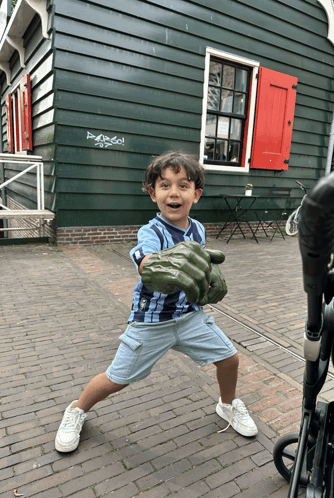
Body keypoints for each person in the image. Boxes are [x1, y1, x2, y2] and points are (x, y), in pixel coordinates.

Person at [55, 151, 258, 453]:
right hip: (151, 323)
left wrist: (210, 278)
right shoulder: (152, 231)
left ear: (196, 194)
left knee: (230, 359)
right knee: (116, 379)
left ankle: (227, 405)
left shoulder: (198, 229)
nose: (174, 192)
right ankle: (76, 410)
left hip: (190, 317)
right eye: (164, 185)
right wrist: (156, 263)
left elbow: (199, 262)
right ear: (153, 193)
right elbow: (144, 259)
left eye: (183, 185)